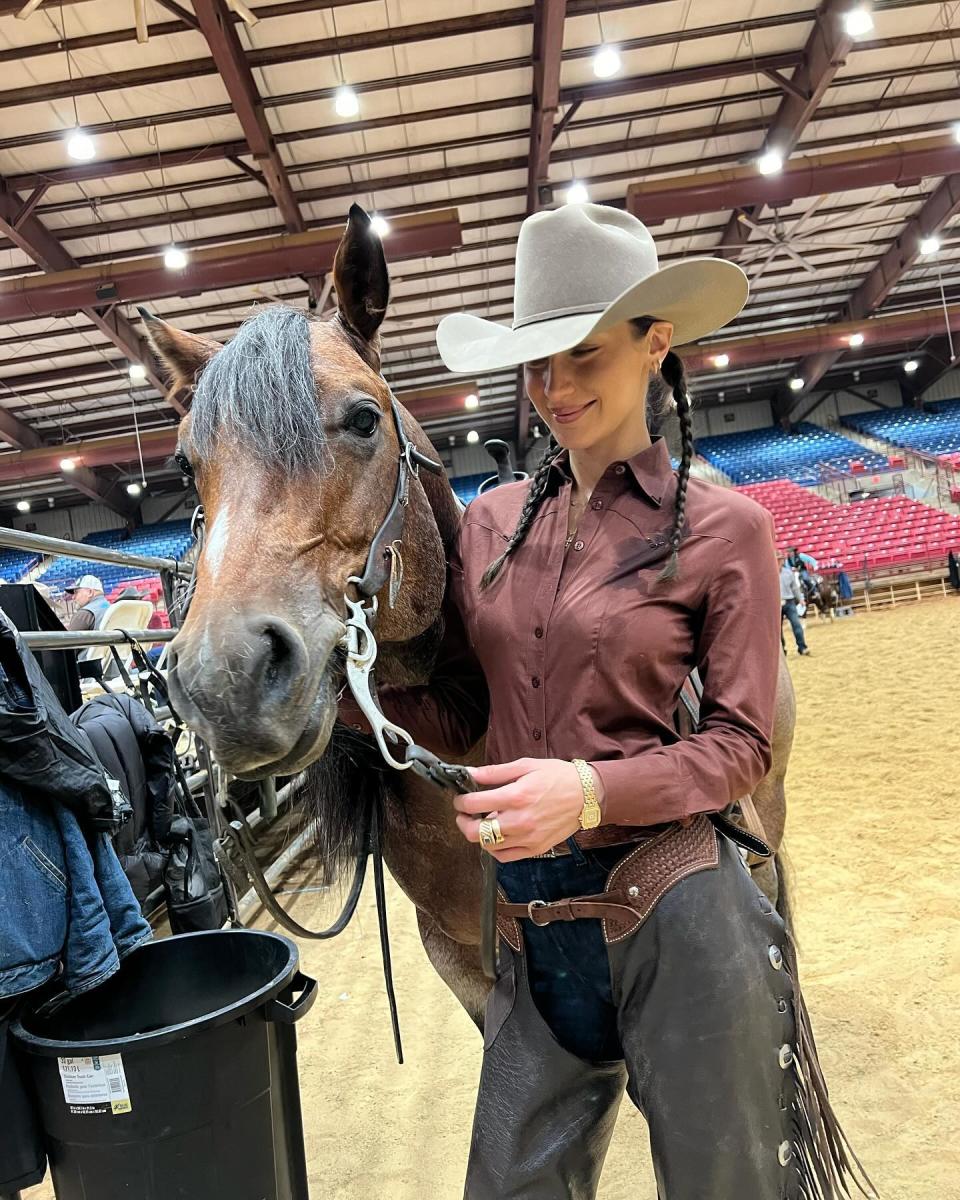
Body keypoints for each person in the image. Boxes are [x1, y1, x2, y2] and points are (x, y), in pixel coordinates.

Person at [341, 204, 865, 1198]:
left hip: (679, 902)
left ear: (653, 342)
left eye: (582, 353)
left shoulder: (727, 530)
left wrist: (583, 792)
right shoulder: (488, 523)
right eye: (537, 364)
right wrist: (348, 700)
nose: (555, 387)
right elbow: (469, 716)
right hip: (530, 930)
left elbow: (741, 745)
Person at [780, 556, 810, 656]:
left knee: (796, 624)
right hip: (776, 604)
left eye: (781, 559)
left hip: (789, 602)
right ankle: (782, 650)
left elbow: (794, 588)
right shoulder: (767, 573)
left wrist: (800, 599)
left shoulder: (788, 573)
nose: (780, 561)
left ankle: (802, 647)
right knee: (777, 630)